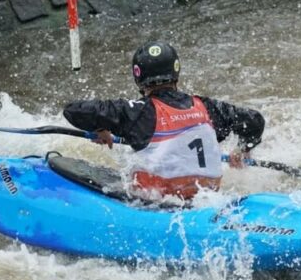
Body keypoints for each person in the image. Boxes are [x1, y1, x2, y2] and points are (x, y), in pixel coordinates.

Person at [63, 41, 265, 200]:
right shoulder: (207, 107)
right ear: (176, 71)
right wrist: (242, 150)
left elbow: (74, 111)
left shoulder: (137, 112)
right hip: (208, 200)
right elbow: (254, 120)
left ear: (138, 76)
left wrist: (100, 127)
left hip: (160, 205)